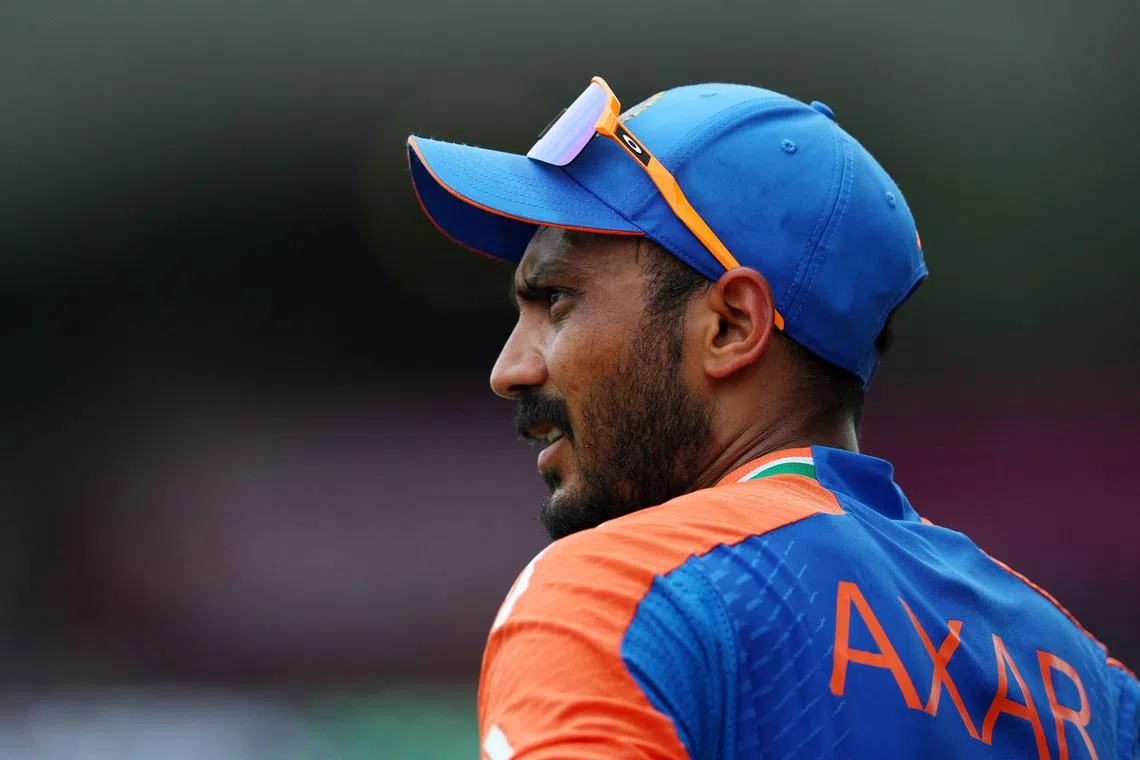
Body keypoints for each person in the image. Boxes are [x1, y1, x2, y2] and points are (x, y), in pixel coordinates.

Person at [405, 77, 1138, 759]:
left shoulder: (618, 598)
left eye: (556, 300)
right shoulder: (1092, 686)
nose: (509, 370)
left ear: (730, 326)